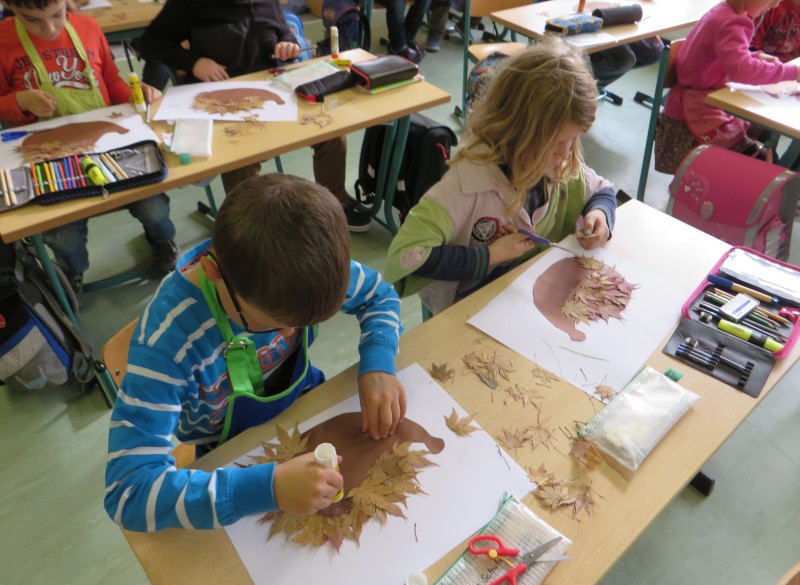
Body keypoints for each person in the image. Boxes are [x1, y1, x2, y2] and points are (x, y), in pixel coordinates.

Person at [104, 173, 406, 531]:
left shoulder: (304, 267)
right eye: (272, 324)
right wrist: (266, 489)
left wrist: (378, 363)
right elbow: (128, 492)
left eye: (303, 324)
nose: (291, 334)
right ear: (213, 272)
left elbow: (380, 296)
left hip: (306, 405)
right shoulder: (166, 344)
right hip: (227, 451)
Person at [384, 40, 616, 317]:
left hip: (527, 302)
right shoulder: (466, 185)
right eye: (557, 142)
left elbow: (602, 191)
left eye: (574, 139)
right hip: (469, 312)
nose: (566, 153)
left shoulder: (558, 165)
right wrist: (490, 256)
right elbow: (406, 256)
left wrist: (600, 215)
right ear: (518, 131)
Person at [138, 0, 372, 232]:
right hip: (223, 103)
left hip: (272, 94)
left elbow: (283, 31)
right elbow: (152, 41)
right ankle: (249, 225)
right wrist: (194, 63)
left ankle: (335, 201)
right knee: (241, 158)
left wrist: (288, 44)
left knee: (330, 133)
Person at [0, 0, 179, 292]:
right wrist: (19, 101)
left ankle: (161, 240)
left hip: (107, 146)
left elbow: (111, 81)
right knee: (64, 238)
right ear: (8, 5)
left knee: (155, 209)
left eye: (57, 15)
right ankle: (73, 270)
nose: (49, 28)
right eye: (32, 19)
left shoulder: (88, 27)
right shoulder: (3, 40)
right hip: (49, 158)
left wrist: (136, 94)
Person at [660, 0, 800, 166]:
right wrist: (794, 72)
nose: (775, 5)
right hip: (690, 115)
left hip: (699, 101)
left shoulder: (724, 11)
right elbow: (742, 70)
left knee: (762, 139)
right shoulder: (731, 22)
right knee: (762, 162)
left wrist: (756, 56)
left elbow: (728, 55)